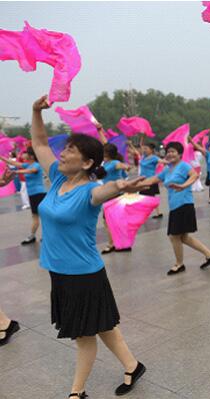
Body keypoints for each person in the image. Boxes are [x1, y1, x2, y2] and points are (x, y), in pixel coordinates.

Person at [30, 95, 148, 397]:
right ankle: (133, 366)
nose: (63, 152)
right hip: (58, 270)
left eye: (70, 150)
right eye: (66, 147)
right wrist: (36, 112)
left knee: (84, 335)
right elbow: (40, 144)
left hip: (83, 274)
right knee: (104, 325)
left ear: (87, 163)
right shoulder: (57, 177)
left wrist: (120, 186)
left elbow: (103, 193)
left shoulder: (90, 190)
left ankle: (76, 392)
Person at [140, 142, 210, 274]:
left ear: (180, 154)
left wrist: (183, 186)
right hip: (175, 206)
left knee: (174, 236)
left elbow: (194, 175)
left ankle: (179, 264)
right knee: (183, 237)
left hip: (183, 205)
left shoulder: (183, 166)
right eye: (168, 151)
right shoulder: (167, 169)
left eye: (173, 151)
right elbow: (153, 179)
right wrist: (134, 185)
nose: (170, 154)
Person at [96, 126, 132, 254]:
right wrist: (100, 130)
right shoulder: (106, 162)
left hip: (116, 194)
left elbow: (123, 165)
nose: (103, 156)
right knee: (108, 221)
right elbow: (105, 143)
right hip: (108, 194)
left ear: (109, 155)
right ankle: (114, 243)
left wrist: (126, 167)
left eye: (104, 155)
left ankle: (120, 243)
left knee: (116, 220)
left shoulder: (114, 162)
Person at [1, 146, 47, 245]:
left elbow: (32, 171)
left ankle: (46, 236)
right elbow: (13, 163)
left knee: (44, 216)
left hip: (39, 194)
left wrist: (16, 171)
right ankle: (32, 236)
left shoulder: (36, 165)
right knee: (35, 216)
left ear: (31, 156)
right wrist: (1, 157)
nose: (23, 154)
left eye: (25, 153)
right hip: (32, 194)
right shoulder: (27, 165)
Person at [129, 141, 164, 218]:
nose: (144, 150)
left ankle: (144, 212)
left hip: (150, 181)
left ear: (151, 150)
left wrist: (171, 162)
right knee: (148, 197)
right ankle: (157, 213)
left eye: (146, 148)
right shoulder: (143, 157)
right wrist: (130, 144)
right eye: (144, 148)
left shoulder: (154, 158)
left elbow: (162, 161)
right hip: (143, 180)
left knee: (148, 197)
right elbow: (136, 152)